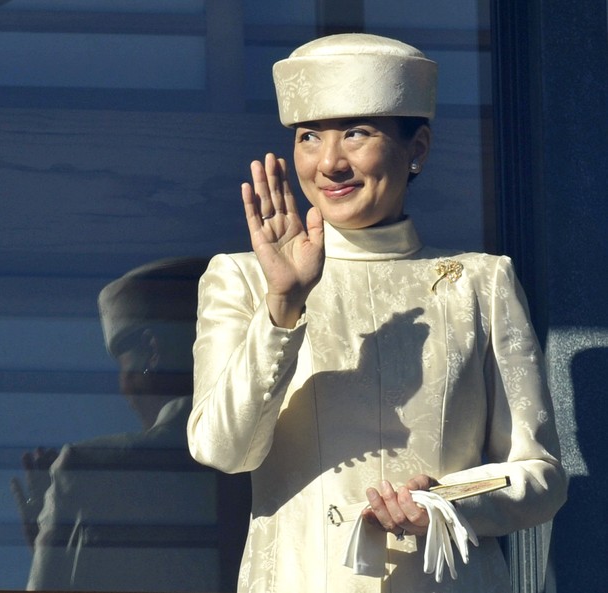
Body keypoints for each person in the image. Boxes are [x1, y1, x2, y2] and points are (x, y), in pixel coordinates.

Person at [187, 34, 567, 593]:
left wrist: (441, 505)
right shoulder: (243, 278)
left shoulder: (481, 282)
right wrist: (284, 305)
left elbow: (540, 474)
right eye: (309, 137)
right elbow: (223, 449)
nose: (329, 163)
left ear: (418, 148)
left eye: (357, 133)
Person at [25, 258, 250, 592]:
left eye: (123, 365)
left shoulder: (88, 471)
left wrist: (54, 531)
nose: (123, 388)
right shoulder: (272, 463)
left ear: (151, 352)